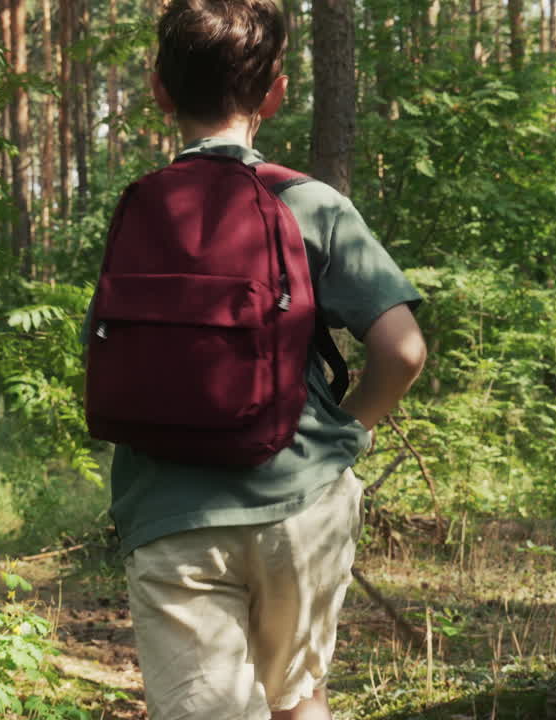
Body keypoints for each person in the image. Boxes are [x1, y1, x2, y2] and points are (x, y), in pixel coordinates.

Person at [87, 0, 426, 717]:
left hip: (170, 513)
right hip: (300, 502)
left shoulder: (143, 208)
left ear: (159, 88)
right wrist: (352, 433)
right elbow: (403, 349)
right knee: (299, 702)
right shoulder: (313, 204)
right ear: (275, 90)